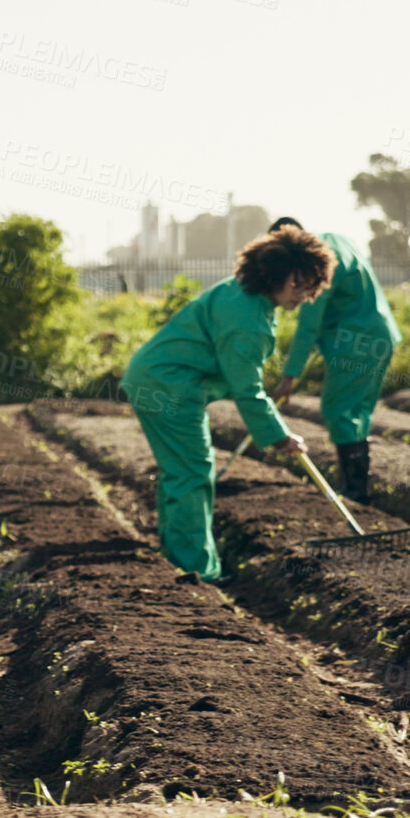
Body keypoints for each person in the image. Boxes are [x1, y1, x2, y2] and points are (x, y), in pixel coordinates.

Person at [119, 227, 335, 582]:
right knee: (192, 472)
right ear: (274, 274)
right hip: (168, 386)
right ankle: (196, 569)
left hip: (161, 379)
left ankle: (178, 555)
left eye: (310, 286)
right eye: (296, 284)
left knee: (183, 470)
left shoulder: (247, 296)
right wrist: (280, 436)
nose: (303, 294)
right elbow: (246, 388)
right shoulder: (247, 318)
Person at [267, 217, 401, 504]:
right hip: (380, 335)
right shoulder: (336, 240)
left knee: (338, 409)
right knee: (357, 412)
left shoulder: (317, 261)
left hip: (356, 342)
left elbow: (308, 324)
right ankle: (357, 489)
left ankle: (354, 493)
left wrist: (290, 376)